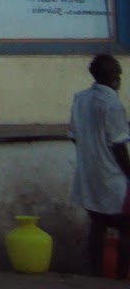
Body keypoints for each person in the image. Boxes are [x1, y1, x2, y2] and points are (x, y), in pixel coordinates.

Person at [70, 53, 130, 278]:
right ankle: (120, 276)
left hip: (89, 173)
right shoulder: (113, 104)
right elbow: (119, 147)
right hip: (114, 176)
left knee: (98, 225)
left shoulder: (80, 98)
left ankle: (96, 275)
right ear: (114, 77)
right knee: (126, 226)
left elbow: (75, 136)